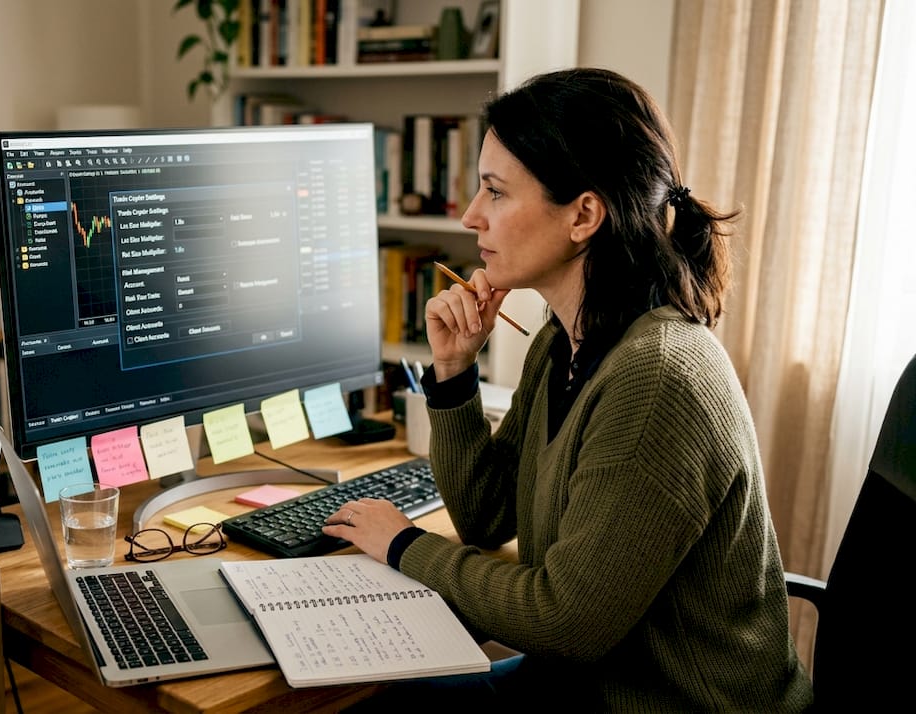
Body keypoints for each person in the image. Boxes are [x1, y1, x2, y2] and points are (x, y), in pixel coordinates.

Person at [324, 67, 813, 711]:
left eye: (495, 193)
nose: (472, 217)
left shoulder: (659, 376)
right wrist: (453, 375)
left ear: (583, 214)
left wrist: (403, 545)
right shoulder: (565, 340)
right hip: (576, 686)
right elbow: (484, 516)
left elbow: (565, 622)